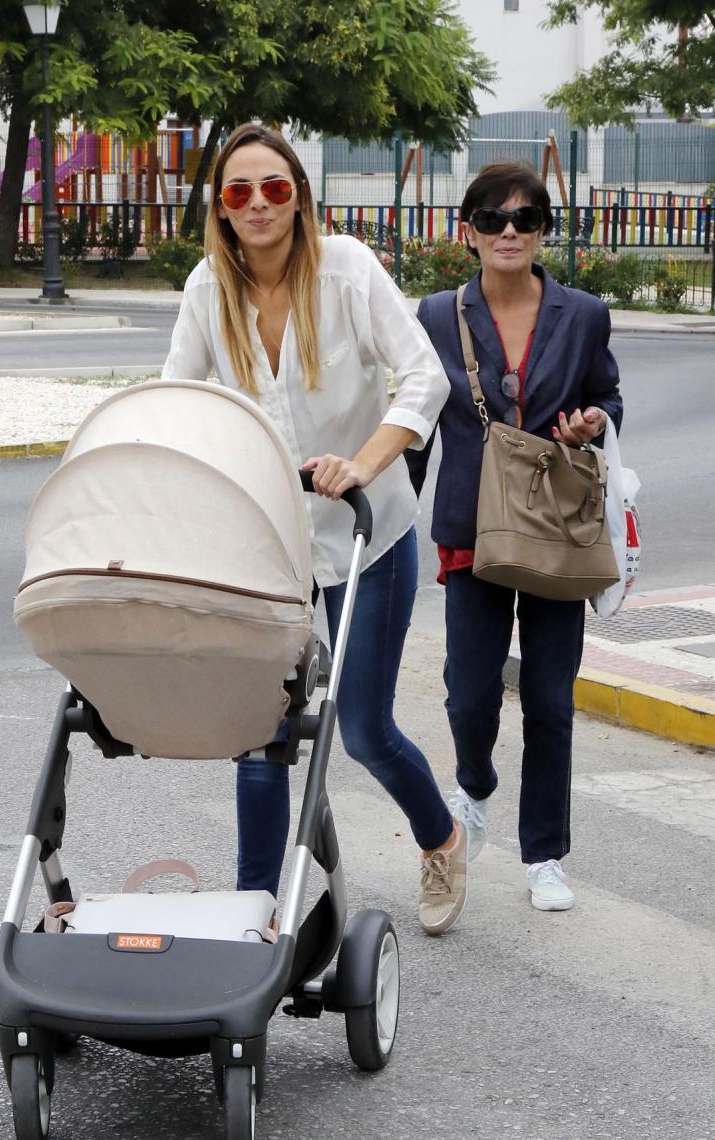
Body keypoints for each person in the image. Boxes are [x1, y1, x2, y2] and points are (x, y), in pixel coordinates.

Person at [162, 122, 466, 934]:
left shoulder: (347, 271)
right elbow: (180, 404)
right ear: (221, 210)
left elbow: (423, 377)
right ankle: (254, 911)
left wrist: (363, 463)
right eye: (238, 192)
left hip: (372, 532)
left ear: (298, 195)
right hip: (270, 544)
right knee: (259, 731)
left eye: (273, 187)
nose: (257, 204)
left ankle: (440, 836)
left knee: (362, 727)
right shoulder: (206, 291)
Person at [415, 162, 622, 912]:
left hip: (554, 529)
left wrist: (594, 422)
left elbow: (606, 395)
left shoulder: (583, 314)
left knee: (548, 698)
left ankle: (544, 854)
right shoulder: (437, 316)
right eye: (493, 219)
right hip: (470, 527)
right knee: (468, 696)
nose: (509, 232)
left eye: (526, 219)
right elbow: (413, 420)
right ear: (465, 230)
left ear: (542, 233)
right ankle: (473, 784)